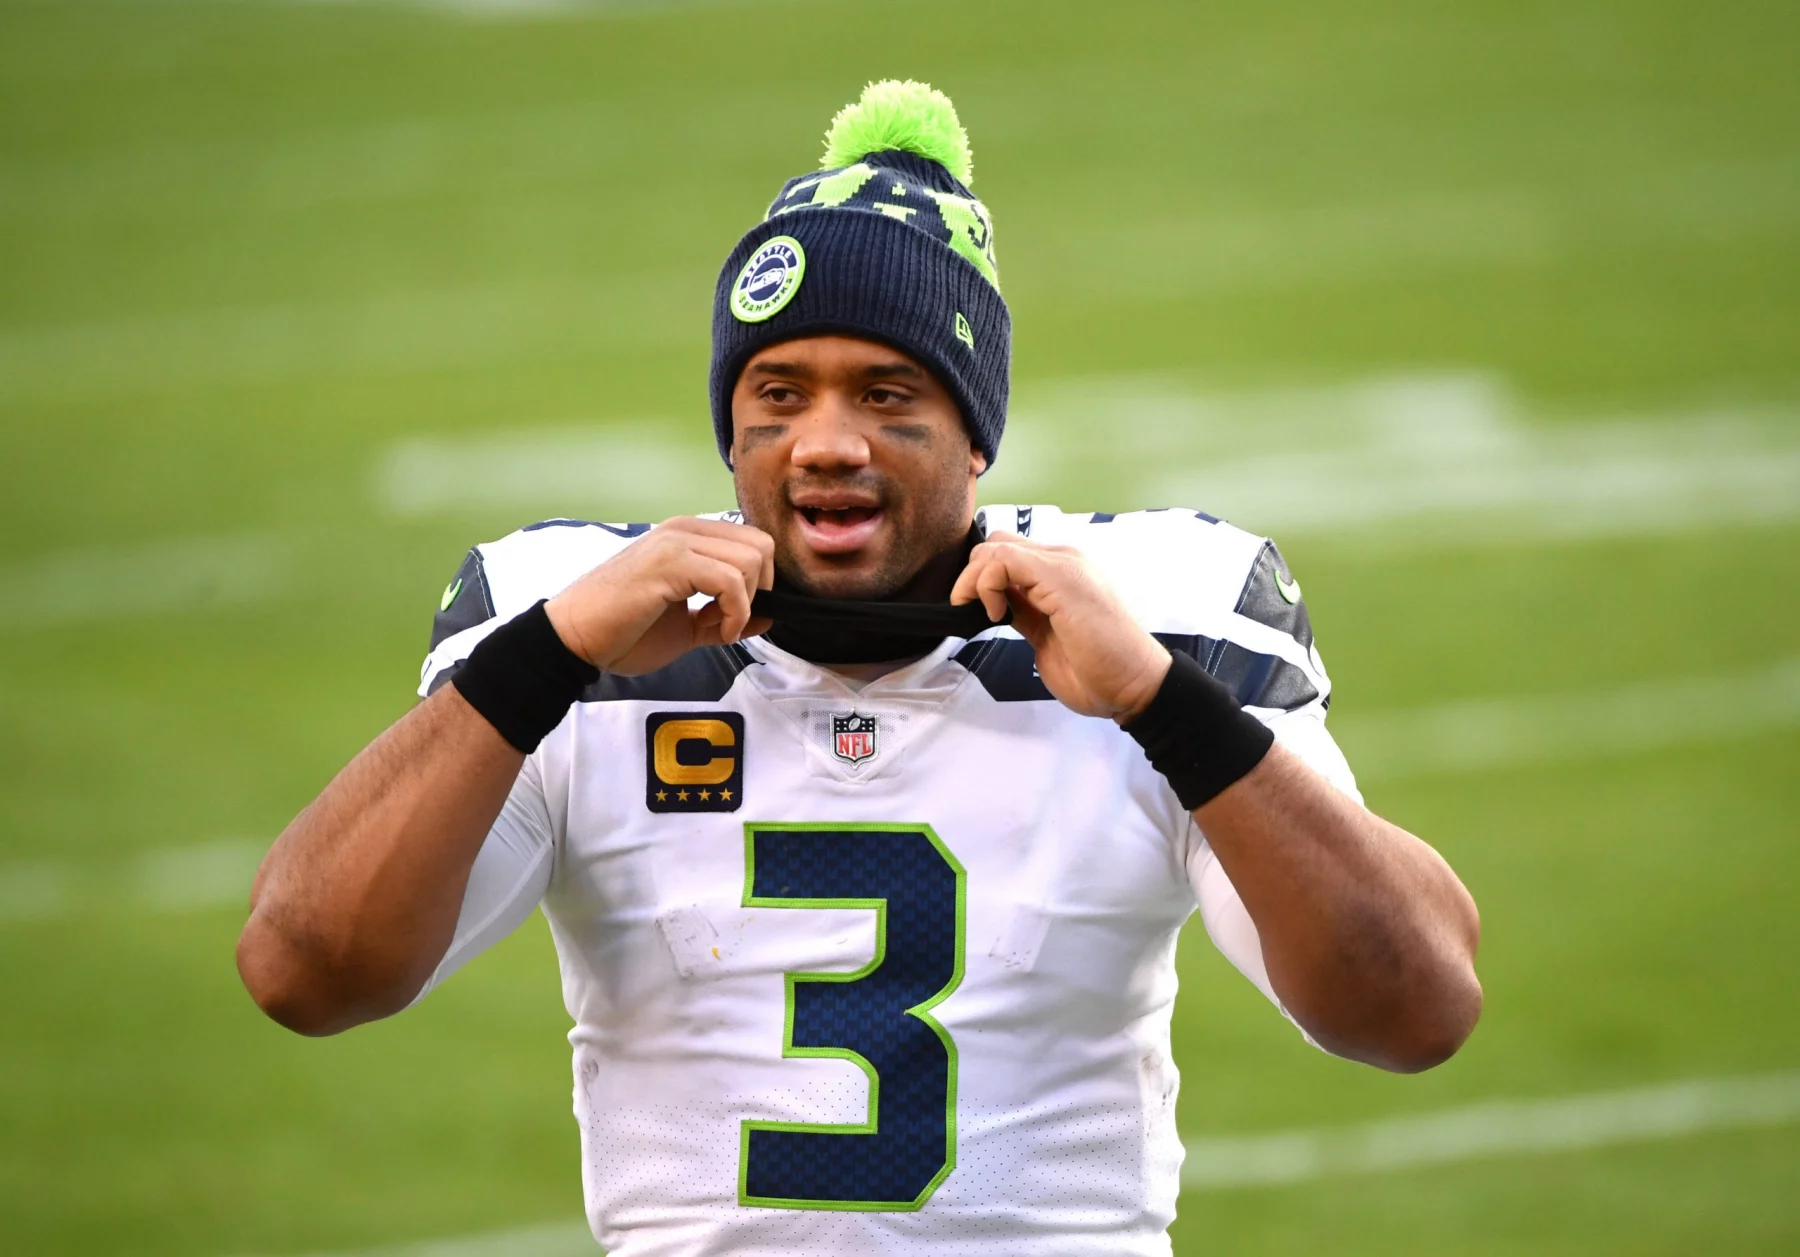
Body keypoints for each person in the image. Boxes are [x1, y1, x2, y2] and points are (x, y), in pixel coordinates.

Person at [237, 81, 1481, 1255]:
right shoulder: (567, 633)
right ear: (730, 426)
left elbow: (1414, 1011)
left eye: (889, 394)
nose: (826, 443)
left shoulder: (1162, 617)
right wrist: (541, 661)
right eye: (779, 393)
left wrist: (1169, 707)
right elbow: (308, 974)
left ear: (976, 436)